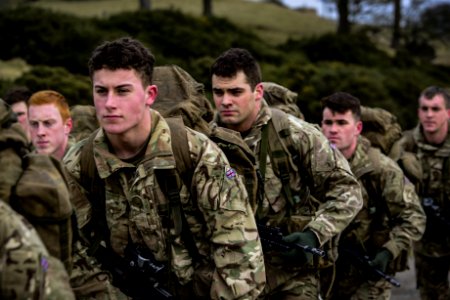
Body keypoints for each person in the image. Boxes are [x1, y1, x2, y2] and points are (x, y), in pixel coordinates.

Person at [63, 37, 265, 299]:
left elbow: (241, 252)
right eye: (101, 91)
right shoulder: (79, 163)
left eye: (123, 91)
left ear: (150, 95)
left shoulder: (196, 153)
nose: (110, 103)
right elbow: (71, 254)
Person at [210, 47, 363, 299]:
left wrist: (314, 234)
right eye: (218, 92)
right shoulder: (205, 141)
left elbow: (348, 190)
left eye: (236, 92)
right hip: (232, 277)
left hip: (292, 275)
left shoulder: (294, 134)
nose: (226, 101)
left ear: (257, 92)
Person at [320, 92, 426, 300]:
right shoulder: (315, 165)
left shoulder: (382, 170)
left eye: (342, 123)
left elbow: (414, 216)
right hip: (328, 271)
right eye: (328, 122)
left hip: (369, 272)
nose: (333, 130)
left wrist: (388, 251)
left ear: (358, 128)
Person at [389, 86, 450, 300]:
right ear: (418, 112)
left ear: (448, 112)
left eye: (435, 108)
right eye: (425, 108)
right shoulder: (405, 146)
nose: (429, 114)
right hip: (428, 240)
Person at [28, 90, 73, 160]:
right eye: (34, 124)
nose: (40, 132)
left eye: (48, 123)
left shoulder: (88, 163)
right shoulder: (22, 166)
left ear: (67, 126)